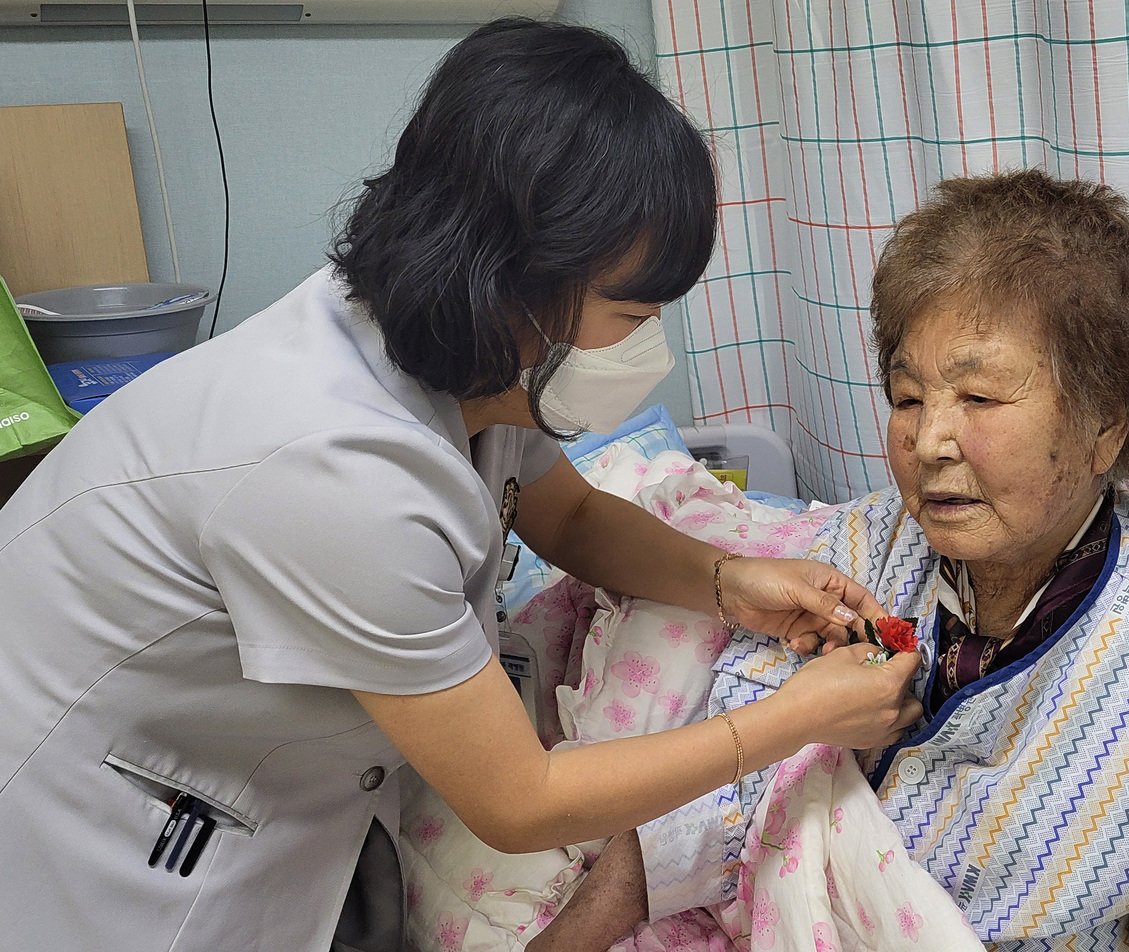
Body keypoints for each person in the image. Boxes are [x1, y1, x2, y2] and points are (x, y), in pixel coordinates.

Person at [0, 19, 923, 952]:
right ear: (507, 282)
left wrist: (729, 579)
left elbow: (564, 513)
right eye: (631, 314)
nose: (647, 348)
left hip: (282, 789)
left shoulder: (468, 360)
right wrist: (793, 720)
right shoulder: (335, 475)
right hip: (108, 827)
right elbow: (520, 802)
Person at [539, 169, 1129, 951]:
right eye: (907, 397)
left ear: (1104, 424)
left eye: (980, 399)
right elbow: (716, 795)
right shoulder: (867, 547)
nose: (927, 444)